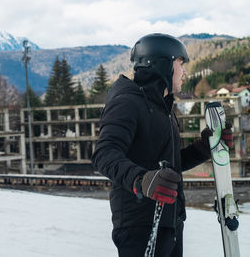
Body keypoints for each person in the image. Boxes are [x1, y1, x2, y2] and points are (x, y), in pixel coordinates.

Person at [91, 33, 233, 257]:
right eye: (181, 64)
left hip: (170, 220)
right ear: (162, 64)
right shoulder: (127, 102)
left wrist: (203, 148)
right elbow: (105, 154)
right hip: (139, 225)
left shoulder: (163, 108)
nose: (185, 72)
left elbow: (169, 165)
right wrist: (141, 180)